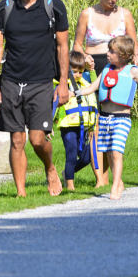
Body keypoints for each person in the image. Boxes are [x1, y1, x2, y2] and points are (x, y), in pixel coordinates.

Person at [0, 0, 69, 197]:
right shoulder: (5, 8)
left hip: (41, 82)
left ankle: (50, 167)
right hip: (11, 81)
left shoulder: (54, 6)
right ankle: (20, 194)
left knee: (36, 140)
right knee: (16, 140)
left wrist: (63, 83)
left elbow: (62, 46)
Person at [76, 35, 138, 200]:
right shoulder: (106, 70)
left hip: (121, 119)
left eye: (112, 51)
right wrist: (75, 92)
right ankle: (119, 182)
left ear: (123, 55)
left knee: (117, 152)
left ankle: (115, 185)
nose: (107, 54)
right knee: (109, 152)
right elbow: (92, 88)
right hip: (104, 118)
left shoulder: (133, 71)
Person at [73, 0, 138, 75]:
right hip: (93, 66)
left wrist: (136, 57)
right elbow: (77, 45)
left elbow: (134, 44)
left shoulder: (125, 14)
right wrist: (85, 57)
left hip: (118, 67)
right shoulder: (87, 14)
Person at [53, 50, 97, 191]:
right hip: (68, 127)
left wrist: (91, 70)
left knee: (87, 157)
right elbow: (53, 106)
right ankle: (70, 185)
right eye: (74, 71)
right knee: (71, 154)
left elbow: (95, 83)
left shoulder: (85, 83)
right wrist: (48, 126)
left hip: (84, 126)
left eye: (80, 71)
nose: (77, 75)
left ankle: (67, 173)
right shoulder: (61, 86)